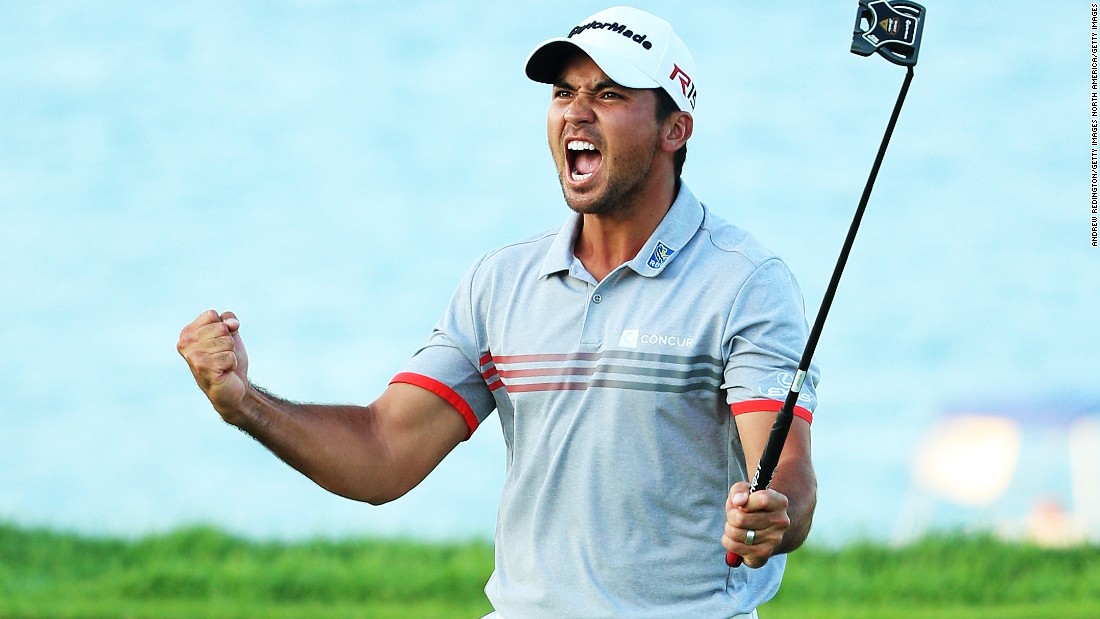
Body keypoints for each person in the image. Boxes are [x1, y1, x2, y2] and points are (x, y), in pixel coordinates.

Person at [177, 6, 818, 618]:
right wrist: (245, 404)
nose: (577, 115)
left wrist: (771, 515)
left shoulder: (744, 284)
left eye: (609, 94)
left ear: (674, 129)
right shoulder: (502, 284)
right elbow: (383, 451)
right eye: (564, 93)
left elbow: (786, 470)